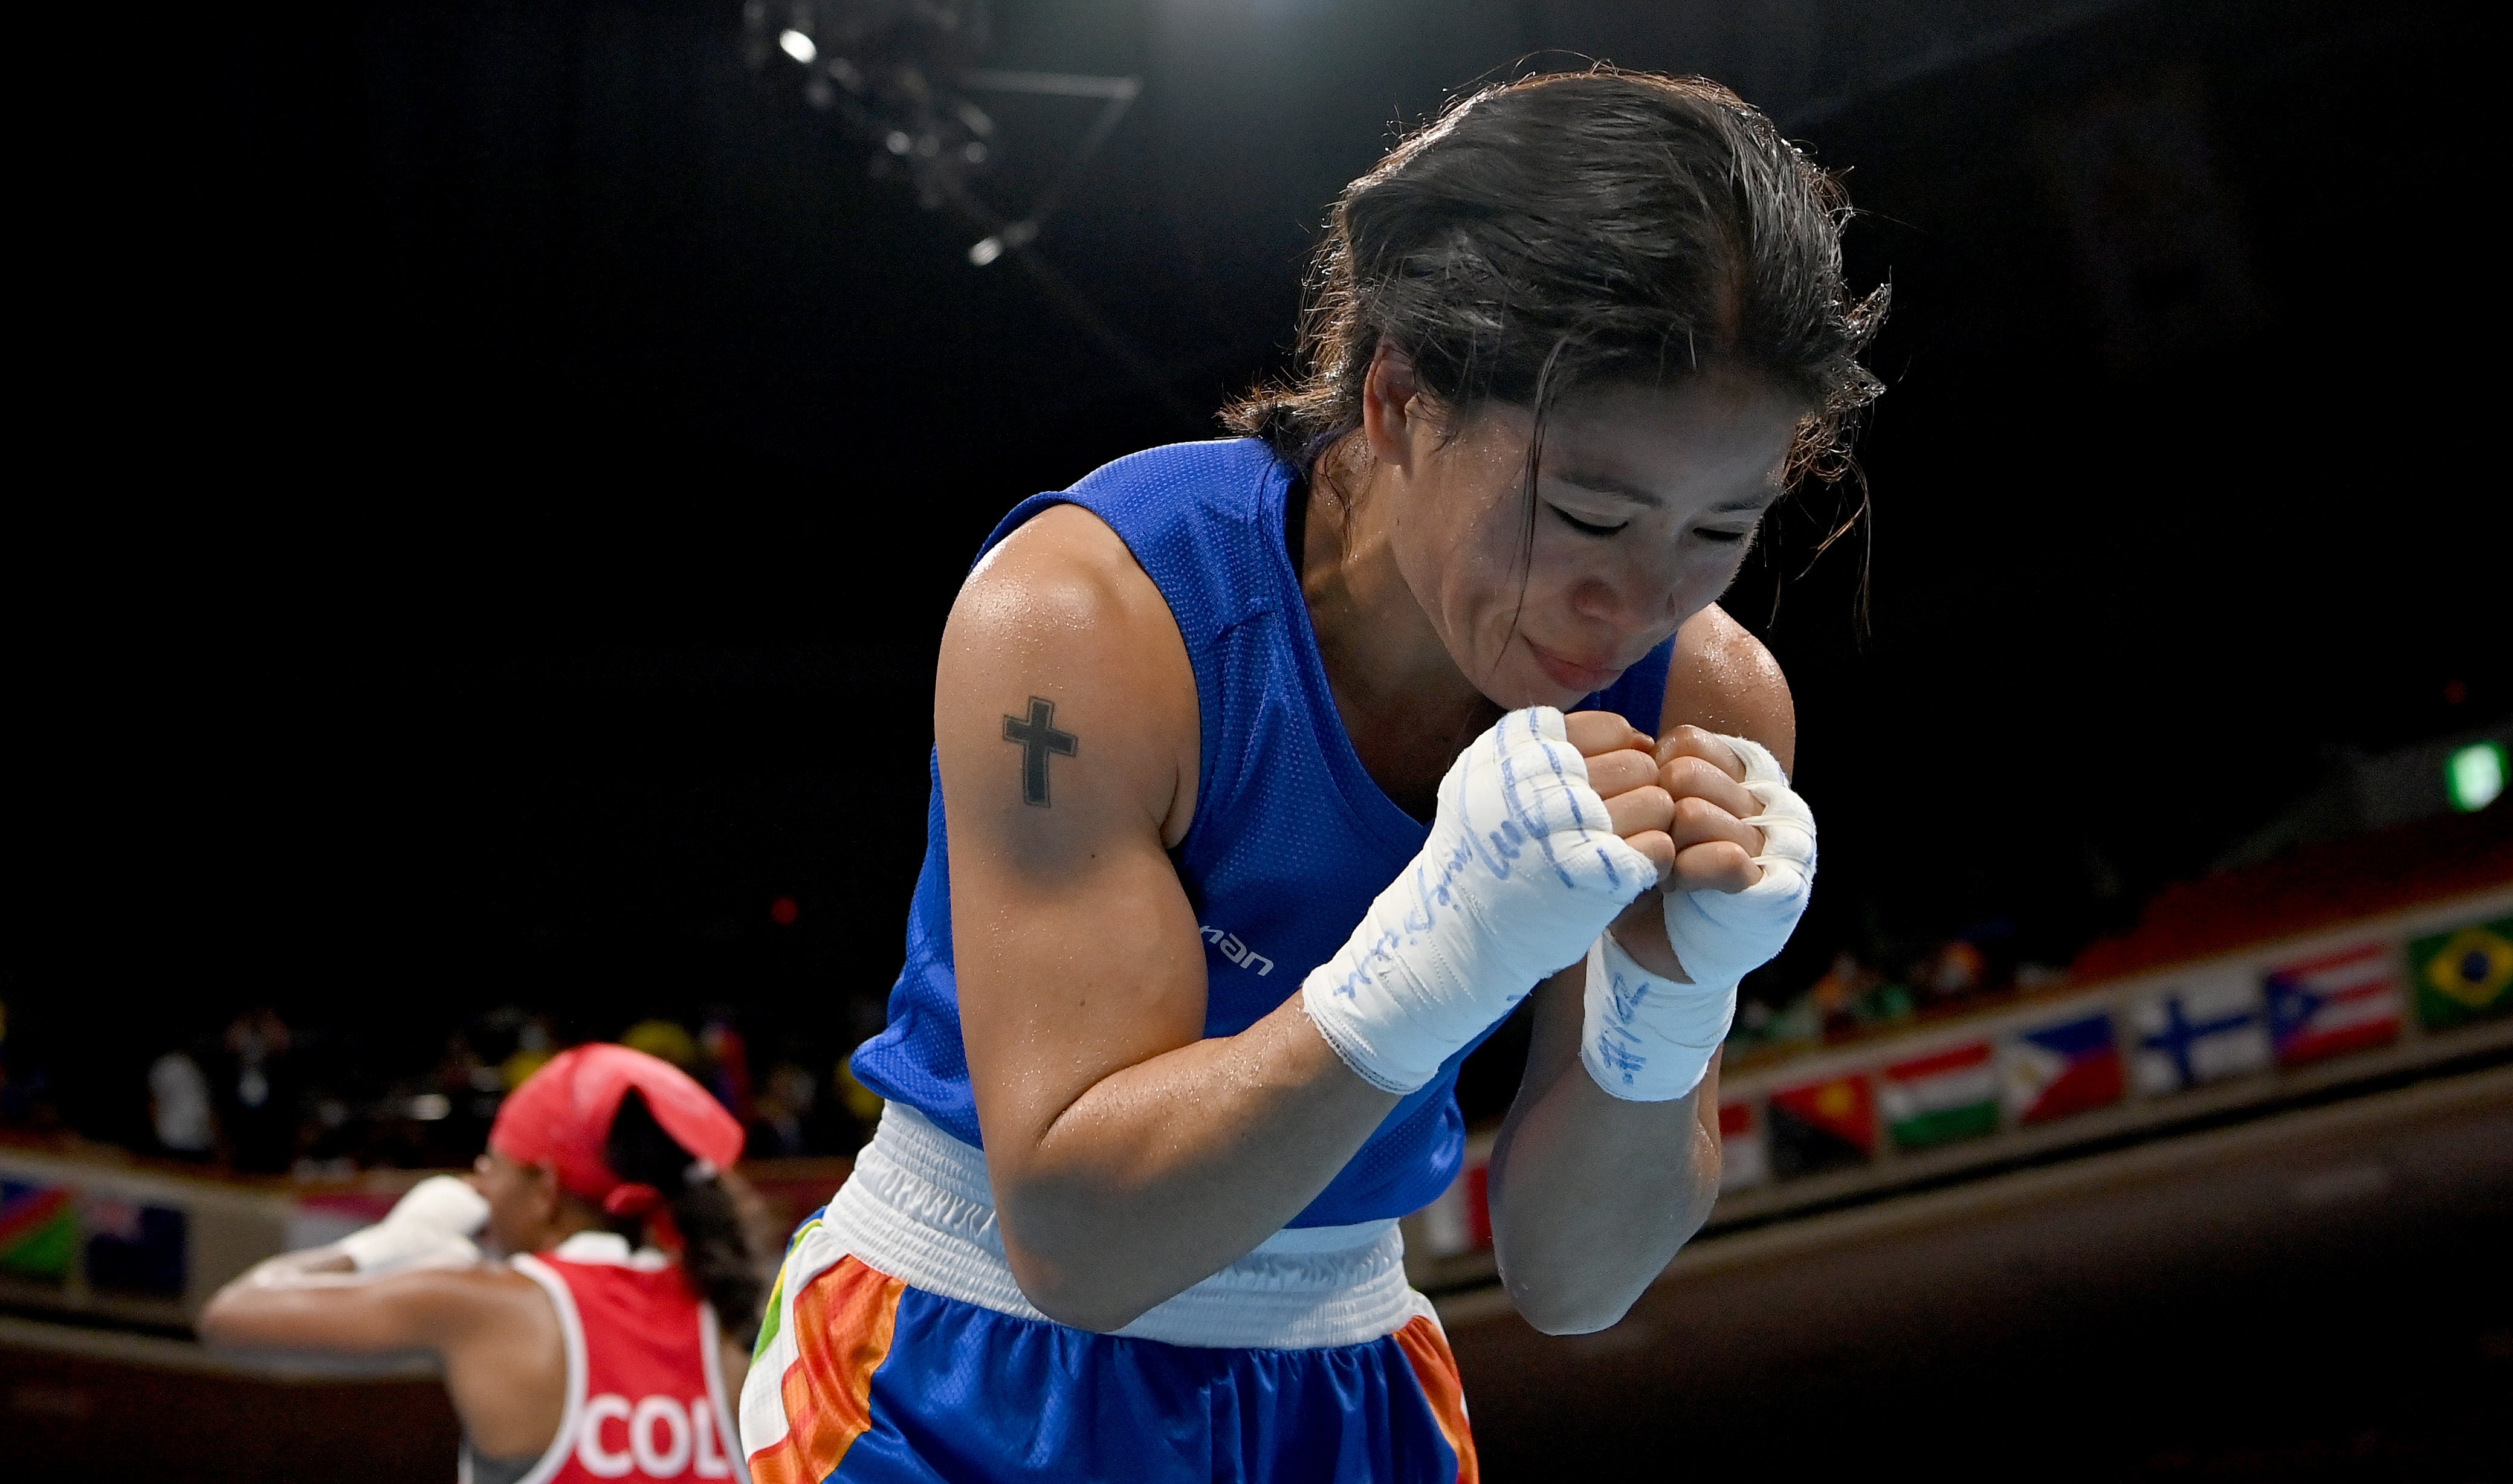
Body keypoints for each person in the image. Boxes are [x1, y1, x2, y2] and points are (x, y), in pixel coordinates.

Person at [743, 68, 1882, 1482]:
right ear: (1400, 398)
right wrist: (1441, 952)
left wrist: (1669, 992)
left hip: (1347, 1381)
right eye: (1586, 510)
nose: (1639, 599)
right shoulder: (1093, 622)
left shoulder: (1708, 703)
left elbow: (1576, 1279)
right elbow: (1084, 1250)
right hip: (959, 1362)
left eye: (1723, 524)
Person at [201, 1044, 769, 1483]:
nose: (480, 1187)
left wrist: (383, 1246)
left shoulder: (492, 1303)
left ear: (545, 1189)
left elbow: (231, 1314)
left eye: (492, 1166)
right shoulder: (729, 1309)